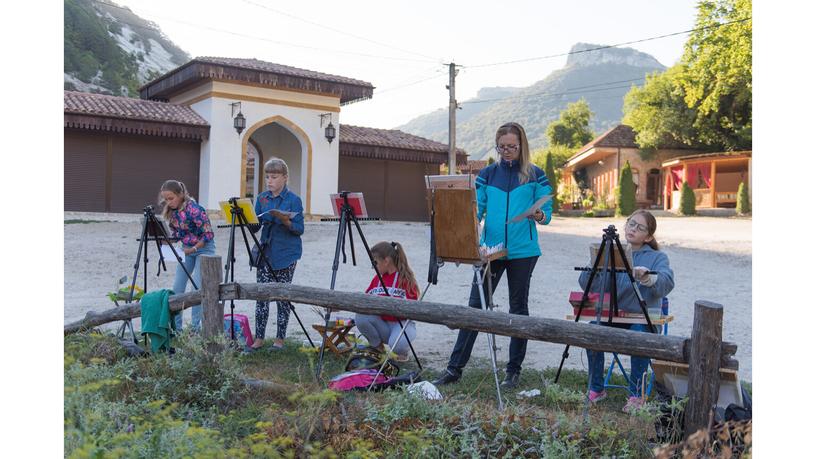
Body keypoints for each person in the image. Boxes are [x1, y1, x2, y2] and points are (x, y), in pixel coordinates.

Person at [433, 122, 553, 389]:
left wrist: (540, 215)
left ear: (522, 145)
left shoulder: (536, 174)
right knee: (475, 307)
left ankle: (513, 371)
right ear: (496, 146)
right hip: (492, 250)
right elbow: (477, 209)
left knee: (518, 309)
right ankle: (454, 369)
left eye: (512, 146)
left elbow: (548, 210)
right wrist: (465, 228)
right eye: (502, 147)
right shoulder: (487, 174)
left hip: (524, 251)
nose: (507, 151)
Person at [579, 209, 675, 413]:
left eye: (640, 227)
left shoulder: (658, 257)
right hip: (614, 315)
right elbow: (586, 285)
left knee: (639, 334)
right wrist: (594, 267)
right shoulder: (611, 252)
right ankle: (596, 388)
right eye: (631, 223)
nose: (633, 229)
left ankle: (636, 394)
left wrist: (649, 278)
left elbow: (667, 282)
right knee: (593, 329)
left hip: (644, 319)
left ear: (648, 236)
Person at [250, 158, 305, 350]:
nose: (269, 181)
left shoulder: (293, 200)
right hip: (266, 253)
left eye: (274, 177)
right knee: (261, 295)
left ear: (285, 178)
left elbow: (299, 229)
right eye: (267, 177)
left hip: (286, 254)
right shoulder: (262, 198)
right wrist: (245, 217)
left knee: (282, 296)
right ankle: (259, 338)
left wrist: (284, 220)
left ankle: (280, 339)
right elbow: (255, 227)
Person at [158, 179, 216, 332]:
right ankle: (177, 329)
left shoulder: (195, 210)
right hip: (187, 250)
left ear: (181, 194)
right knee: (177, 287)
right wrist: (167, 240)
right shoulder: (173, 212)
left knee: (197, 288)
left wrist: (195, 249)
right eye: (166, 199)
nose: (169, 202)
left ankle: (195, 329)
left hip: (204, 249)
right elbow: (178, 233)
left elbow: (208, 234)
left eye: (171, 198)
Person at [354, 241, 419, 361]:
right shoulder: (377, 279)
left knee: (397, 345)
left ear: (386, 260)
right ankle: (378, 348)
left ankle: (402, 352)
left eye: (375, 263)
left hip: (401, 324)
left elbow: (413, 307)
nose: (374, 267)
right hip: (383, 324)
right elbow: (365, 301)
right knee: (361, 316)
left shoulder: (405, 279)